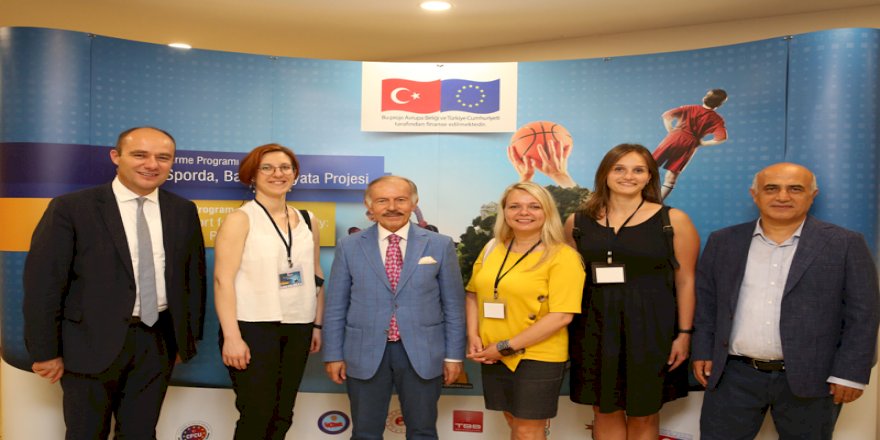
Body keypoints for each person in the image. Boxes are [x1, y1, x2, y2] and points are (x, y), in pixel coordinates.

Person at [23, 126, 206, 439]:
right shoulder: (71, 208)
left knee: (140, 432)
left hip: (157, 342)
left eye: (163, 157)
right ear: (116, 156)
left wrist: (184, 340)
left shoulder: (182, 211)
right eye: (140, 155)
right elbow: (44, 284)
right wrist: (45, 351)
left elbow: (193, 279)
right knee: (85, 433)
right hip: (88, 343)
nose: (152, 164)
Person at [693, 162, 880, 439]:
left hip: (814, 377)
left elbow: (863, 314)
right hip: (733, 376)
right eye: (771, 188)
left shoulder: (845, 243)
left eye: (795, 189)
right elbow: (707, 304)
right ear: (755, 195)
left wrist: (850, 373)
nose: (782, 197)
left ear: (812, 195)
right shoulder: (723, 241)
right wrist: (703, 350)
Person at [565, 143, 699, 439]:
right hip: (594, 328)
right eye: (619, 169)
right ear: (605, 173)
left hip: (652, 330)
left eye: (638, 170)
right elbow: (568, 279)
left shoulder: (673, 220)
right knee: (604, 409)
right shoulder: (577, 222)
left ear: (650, 176)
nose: (629, 176)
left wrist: (684, 334)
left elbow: (686, 281)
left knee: (644, 411)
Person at [322, 175, 466, 439]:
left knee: (423, 432)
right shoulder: (349, 246)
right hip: (364, 352)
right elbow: (336, 306)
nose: (392, 207)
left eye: (400, 200)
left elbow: (454, 307)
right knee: (365, 433)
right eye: (382, 201)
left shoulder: (439, 244)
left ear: (414, 203)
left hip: (423, 353)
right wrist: (333, 354)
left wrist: (454, 356)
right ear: (370, 206)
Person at [213, 143, 324, 439]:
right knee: (256, 414)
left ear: (295, 174)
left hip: (299, 326)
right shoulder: (241, 219)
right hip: (252, 327)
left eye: (285, 167)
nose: (278, 174)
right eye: (267, 168)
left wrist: (316, 324)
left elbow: (316, 274)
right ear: (252, 175)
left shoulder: (308, 219)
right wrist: (232, 337)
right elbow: (223, 280)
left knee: (283, 414)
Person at [466, 181, 585, 440]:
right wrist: (473, 335)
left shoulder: (563, 256)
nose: (524, 212)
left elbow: (562, 316)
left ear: (547, 212)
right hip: (493, 353)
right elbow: (473, 293)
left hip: (536, 356)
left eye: (534, 206)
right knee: (514, 423)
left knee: (527, 431)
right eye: (515, 206)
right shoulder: (492, 248)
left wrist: (505, 347)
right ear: (504, 211)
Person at [652, 89, 728, 200]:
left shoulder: (690, 108)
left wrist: (671, 130)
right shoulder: (717, 119)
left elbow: (667, 115)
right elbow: (722, 138)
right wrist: (702, 143)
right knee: (671, 178)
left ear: (704, 98)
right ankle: (657, 202)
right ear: (719, 104)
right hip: (690, 144)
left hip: (674, 137)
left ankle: (637, 195)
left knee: (650, 167)